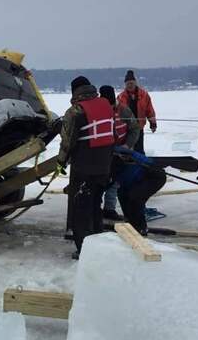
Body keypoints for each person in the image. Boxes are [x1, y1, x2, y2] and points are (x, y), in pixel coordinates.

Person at [57, 76, 115, 259]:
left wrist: (61, 162)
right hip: (104, 166)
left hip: (83, 168)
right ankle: (99, 243)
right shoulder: (106, 105)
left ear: (75, 91)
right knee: (95, 206)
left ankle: (84, 250)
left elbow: (68, 141)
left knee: (80, 210)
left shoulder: (75, 111)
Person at [99, 84, 139, 220]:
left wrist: (128, 145)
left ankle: (109, 209)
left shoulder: (123, 110)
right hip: (103, 153)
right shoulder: (97, 110)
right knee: (100, 181)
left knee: (115, 182)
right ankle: (94, 208)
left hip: (120, 153)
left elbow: (134, 128)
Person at [113, 147, 166, 235]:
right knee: (122, 194)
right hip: (136, 177)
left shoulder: (119, 158)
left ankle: (141, 228)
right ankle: (130, 222)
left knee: (135, 197)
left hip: (153, 176)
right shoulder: (112, 155)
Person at [117, 70, 156, 153]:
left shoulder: (144, 95)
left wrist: (153, 124)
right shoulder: (120, 97)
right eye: (128, 84)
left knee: (139, 150)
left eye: (131, 83)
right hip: (126, 128)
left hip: (139, 127)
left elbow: (150, 110)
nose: (130, 85)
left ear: (135, 83)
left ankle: (141, 164)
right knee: (126, 151)